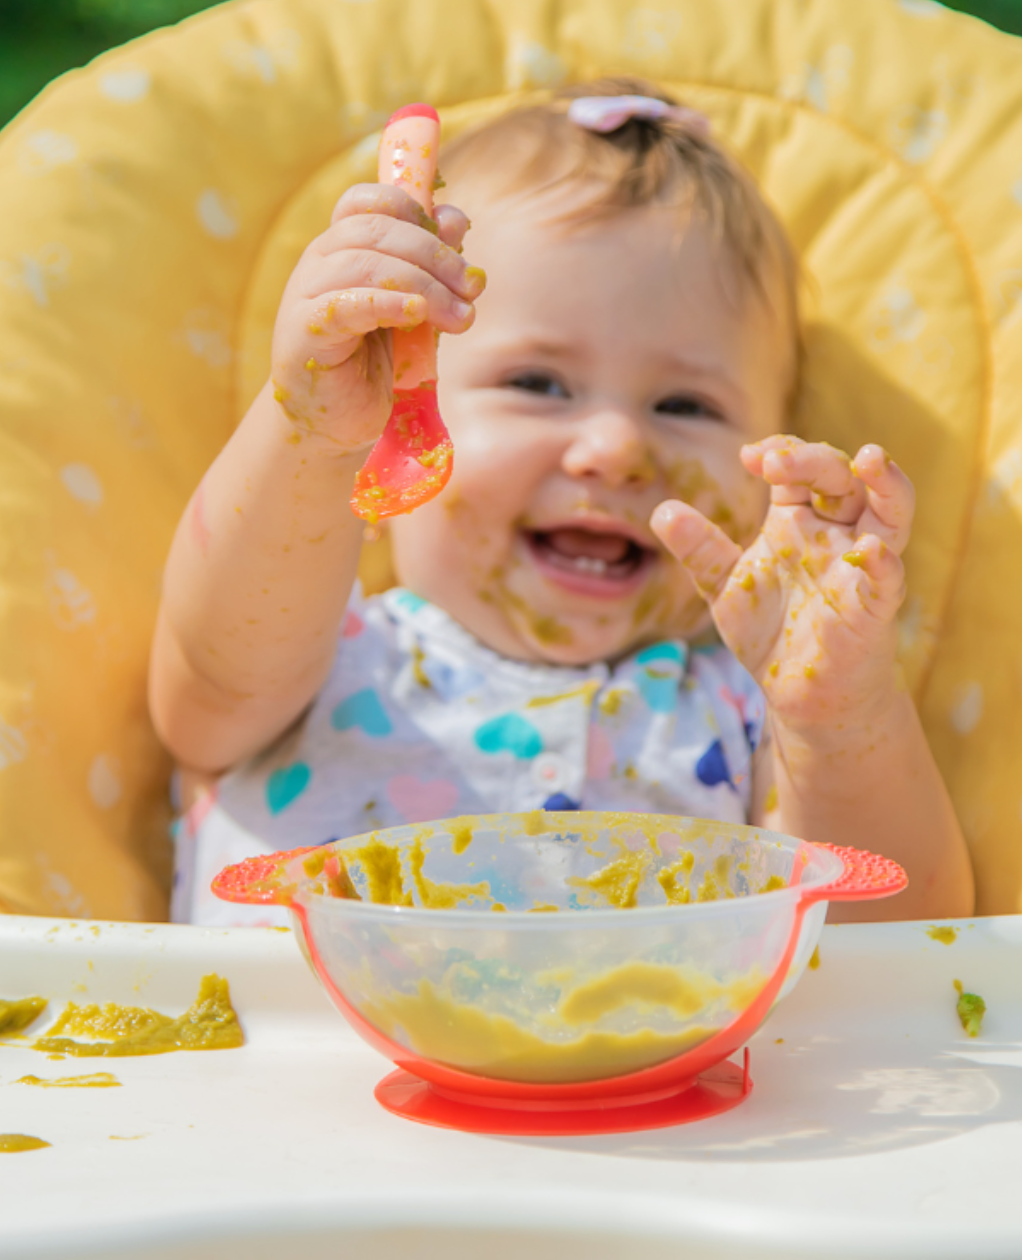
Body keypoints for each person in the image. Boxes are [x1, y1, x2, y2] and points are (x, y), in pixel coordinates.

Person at [152, 78, 971, 924]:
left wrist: (838, 712)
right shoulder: (316, 648)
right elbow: (203, 699)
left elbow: (905, 933)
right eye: (538, 383)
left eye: (685, 405)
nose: (614, 448)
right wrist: (309, 435)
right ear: (401, 403)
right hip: (284, 1054)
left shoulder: (753, 712)